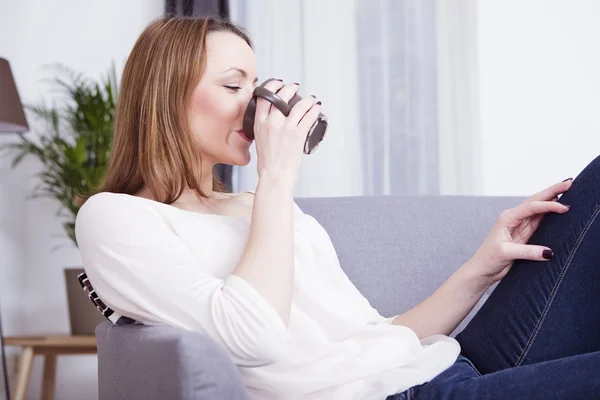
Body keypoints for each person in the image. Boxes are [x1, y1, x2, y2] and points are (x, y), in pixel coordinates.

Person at [74, 15, 600, 400]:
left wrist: (483, 266)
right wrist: (278, 177)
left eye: (253, 86)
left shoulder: (259, 204)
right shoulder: (117, 217)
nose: (253, 104)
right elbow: (250, 337)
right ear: (167, 95)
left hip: (442, 365)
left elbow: (380, 335)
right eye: (233, 85)